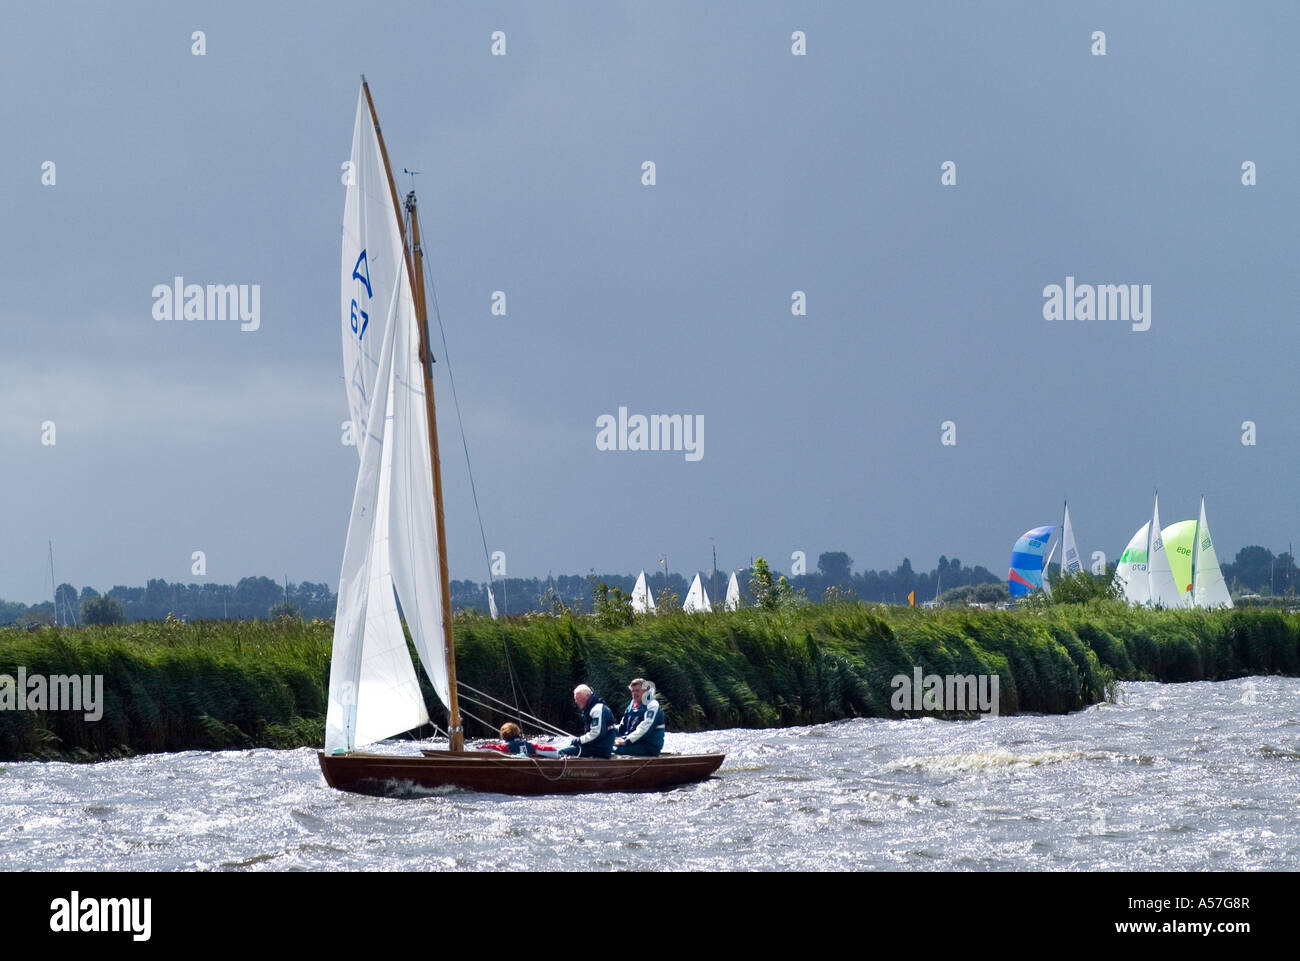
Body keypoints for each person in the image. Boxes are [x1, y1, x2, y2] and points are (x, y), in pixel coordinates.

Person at [557, 684, 616, 757]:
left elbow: (597, 734)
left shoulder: (597, 710)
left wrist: (579, 740)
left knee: (561, 751)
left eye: (577, 698)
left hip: (600, 749)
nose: (575, 701)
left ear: (586, 697)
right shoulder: (593, 708)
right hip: (597, 746)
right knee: (566, 746)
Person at [615, 677, 665, 756]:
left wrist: (626, 741)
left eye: (637, 691)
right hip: (634, 743)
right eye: (633, 691)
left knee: (612, 749)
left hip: (648, 747)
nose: (634, 694)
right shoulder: (631, 705)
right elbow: (622, 727)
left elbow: (644, 729)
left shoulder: (652, 705)